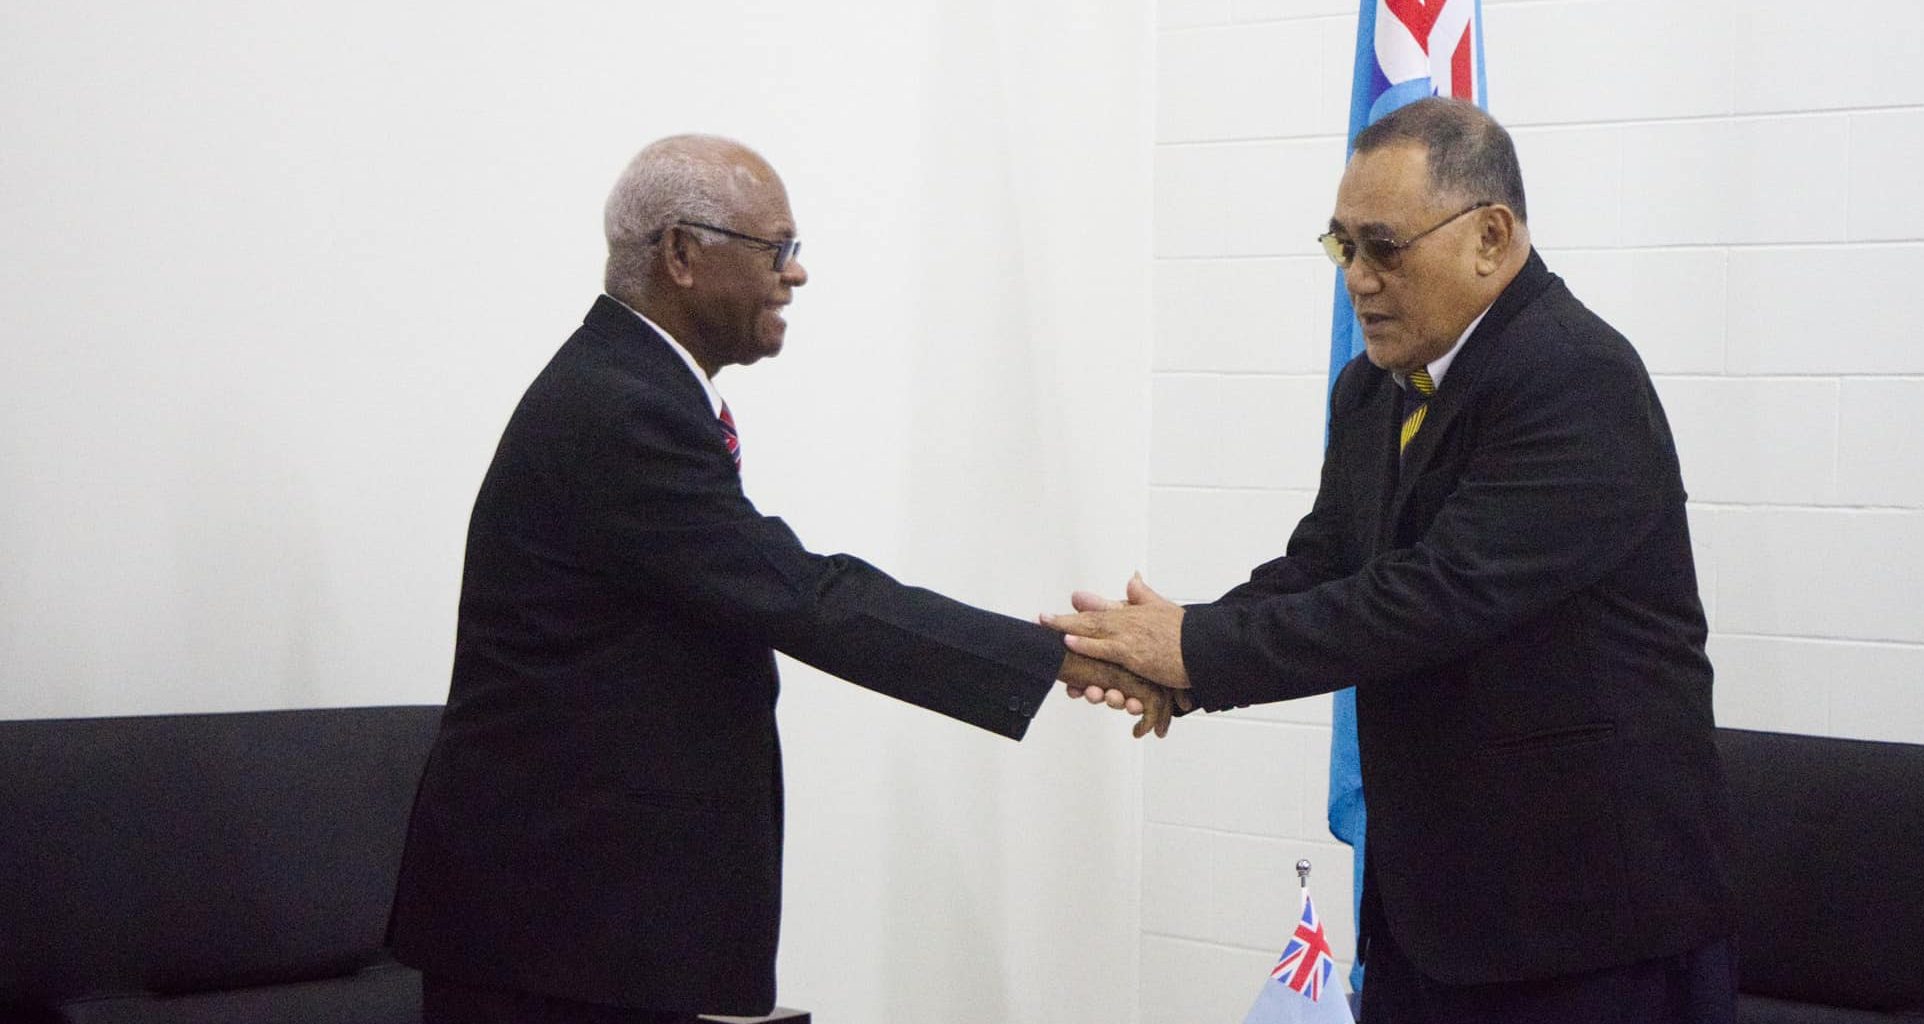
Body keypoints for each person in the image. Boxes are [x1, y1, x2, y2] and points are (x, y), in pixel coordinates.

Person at [387, 134, 1169, 1024]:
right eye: (778, 250)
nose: (794, 276)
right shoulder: (620, 407)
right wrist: (1065, 656)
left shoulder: (632, 386)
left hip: (593, 924)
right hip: (554, 934)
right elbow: (806, 596)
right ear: (682, 253)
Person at [1049, 98, 1736, 1024]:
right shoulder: (1375, 388)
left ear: (1491, 237)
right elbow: (1328, 565)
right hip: (1433, 915)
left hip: (1585, 930)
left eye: (1385, 247)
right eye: (1342, 248)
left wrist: (1192, 648)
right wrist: (1173, 653)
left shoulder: (1577, 375)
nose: (1359, 282)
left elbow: (1433, 596)